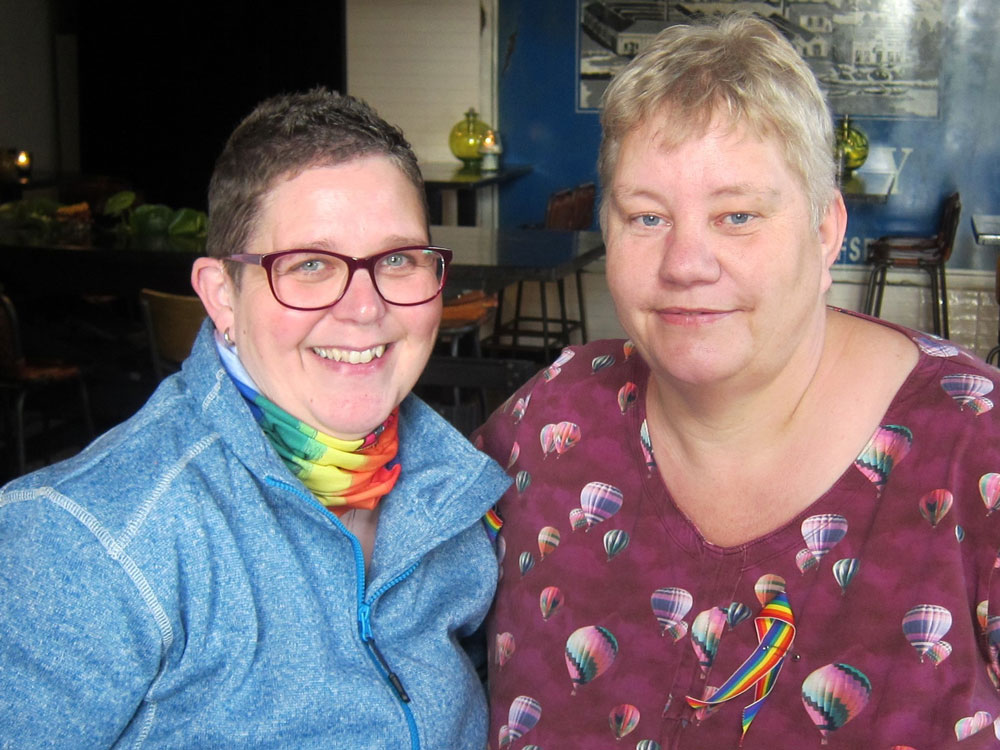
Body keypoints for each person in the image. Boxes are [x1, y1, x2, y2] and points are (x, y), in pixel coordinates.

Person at [475, 14, 1000, 750]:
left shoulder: (976, 446)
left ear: (825, 231)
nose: (686, 263)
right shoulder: (550, 423)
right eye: (647, 217)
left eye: (738, 215)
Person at [0, 89, 510, 748]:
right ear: (222, 297)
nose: (364, 309)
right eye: (310, 265)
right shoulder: (86, 541)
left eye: (397, 260)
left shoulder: (455, 490)